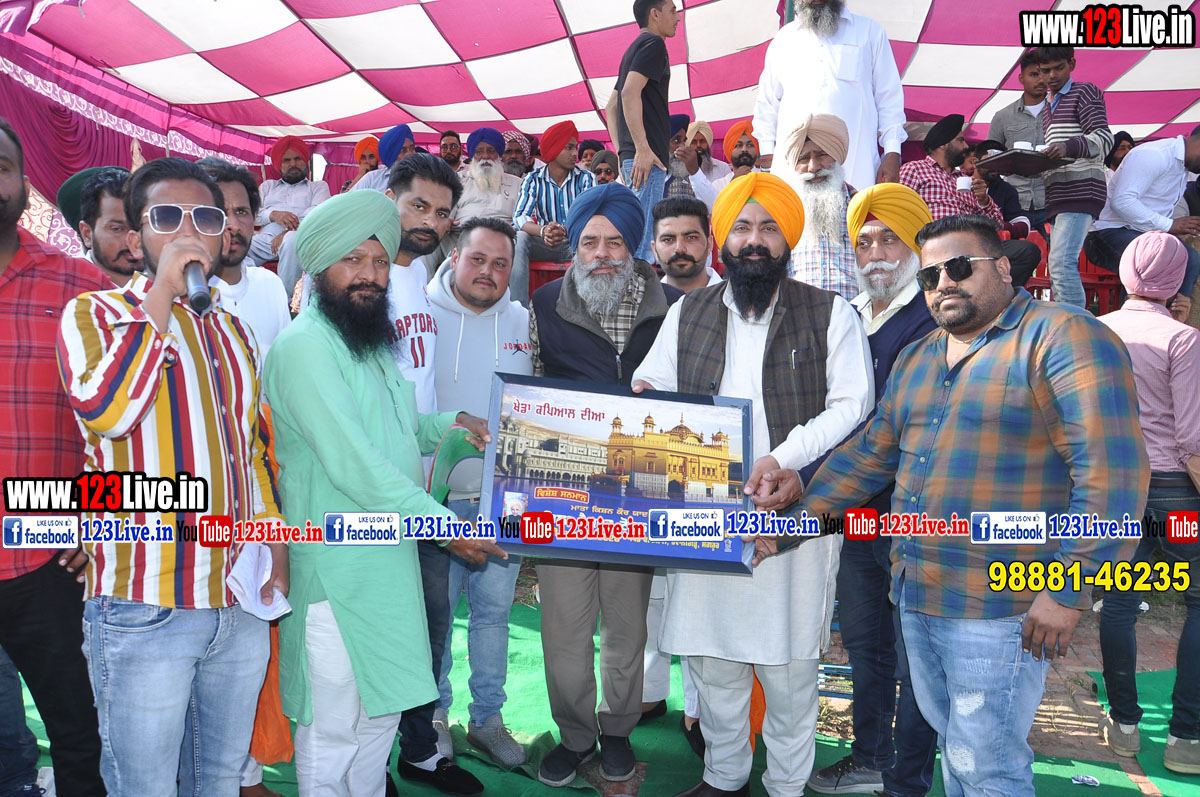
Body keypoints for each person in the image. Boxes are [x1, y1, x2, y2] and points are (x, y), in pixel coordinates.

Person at [771, 214, 1148, 796]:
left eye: (959, 267)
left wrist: (1068, 589)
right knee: (962, 754)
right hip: (917, 592)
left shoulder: (1064, 337)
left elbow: (1111, 475)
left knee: (985, 766)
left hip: (1001, 604)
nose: (943, 282)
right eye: (929, 276)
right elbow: (870, 456)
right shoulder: (918, 357)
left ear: (1003, 269)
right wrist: (781, 528)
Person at [632, 172, 872, 797]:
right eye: (741, 227)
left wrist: (784, 459)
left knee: (789, 670)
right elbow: (652, 384)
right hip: (705, 516)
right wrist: (646, 405)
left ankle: (787, 785)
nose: (754, 240)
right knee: (712, 664)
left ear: (788, 238)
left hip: (792, 516)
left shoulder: (830, 312)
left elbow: (854, 405)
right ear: (724, 239)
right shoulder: (688, 311)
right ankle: (724, 776)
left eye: (769, 227)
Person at [57, 156, 287, 794]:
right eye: (166, 217)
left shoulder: (236, 333)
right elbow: (109, 412)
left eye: (204, 217)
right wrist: (161, 293)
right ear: (135, 239)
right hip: (144, 603)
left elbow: (249, 451)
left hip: (236, 603)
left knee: (219, 782)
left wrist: (272, 537)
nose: (188, 230)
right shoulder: (94, 316)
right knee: (145, 786)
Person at [263, 190, 499, 795]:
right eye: (352, 260)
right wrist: (446, 526)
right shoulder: (305, 347)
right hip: (336, 569)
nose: (369, 274)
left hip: (388, 559)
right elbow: (355, 465)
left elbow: (397, 429)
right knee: (334, 725)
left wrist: (449, 423)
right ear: (320, 267)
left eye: (378, 261)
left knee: (380, 715)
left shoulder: (364, 342)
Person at [529, 182, 683, 787]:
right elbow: (528, 388)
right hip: (563, 494)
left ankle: (617, 730)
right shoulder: (544, 303)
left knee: (627, 624)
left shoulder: (672, 306)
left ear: (634, 245)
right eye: (590, 241)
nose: (602, 254)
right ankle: (574, 736)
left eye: (615, 242)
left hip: (639, 494)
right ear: (574, 245)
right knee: (563, 625)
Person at [805, 183, 939, 796]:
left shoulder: (934, 317)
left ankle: (908, 778)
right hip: (855, 513)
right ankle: (870, 758)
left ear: (915, 247)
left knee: (916, 654)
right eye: (864, 242)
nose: (876, 253)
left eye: (890, 239)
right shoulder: (848, 314)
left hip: (915, 513)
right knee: (865, 644)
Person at [0, 118, 108, 797]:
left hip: (46, 560)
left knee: (80, 734)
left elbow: (121, 426)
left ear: (22, 182)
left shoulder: (79, 286)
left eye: (0, 165)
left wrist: (98, 523)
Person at [427, 217, 532, 770]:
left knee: (493, 615)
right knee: (438, 616)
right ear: (454, 257)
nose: (488, 271)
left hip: (504, 501)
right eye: (478, 259)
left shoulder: (522, 320)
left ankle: (488, 719)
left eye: (500, 263)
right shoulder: (420, 315)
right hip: (436, 499)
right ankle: (435, 715)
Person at [1097, 231, 1200, 774]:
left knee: (1118, 603)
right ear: (1179, 281)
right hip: (1178, 493)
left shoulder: (1095, 330)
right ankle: (1187, 738)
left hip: (1117, 489)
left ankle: (1125, 724)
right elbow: (1192, 439)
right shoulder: (1183, 340)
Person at [753, 0, 905, 192]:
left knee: (855, 209)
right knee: (796, 210)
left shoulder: (869, 31)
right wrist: (767, 155)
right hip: (793, 168)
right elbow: (767, 103)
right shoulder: (784, 39)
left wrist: (892, 153)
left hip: (856, 164)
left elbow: (889, 98)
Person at [900, 114, 1041, 287]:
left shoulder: (965, 179)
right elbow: (898, 210)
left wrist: (983, 200)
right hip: (937, 243)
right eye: (960, 141)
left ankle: (990, 295)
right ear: (944, 144)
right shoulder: (914, 170)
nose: (966, 146)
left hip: (971, 245)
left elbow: (996, 225)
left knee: (1027, 252)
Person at [1030, 46, 1114, 308]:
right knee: (1058, 266)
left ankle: (1077, 325)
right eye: (1045, 71)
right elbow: (1057, 158)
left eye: (1059, 68)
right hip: (1059, 195)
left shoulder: (1084, 92)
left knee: (1060, 264)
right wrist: (1023, 165)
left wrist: (1067, 147)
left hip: (1081, 191)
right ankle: (1067, 321)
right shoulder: (1047, 105)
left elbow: (1103, 138)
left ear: (1072, 64)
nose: (1052, 75)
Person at [1087, 124, 1200, 309]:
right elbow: (1122, 202)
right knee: (1151, 261)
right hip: (1107, 232)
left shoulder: (1183, 168)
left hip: (1145, 236)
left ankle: (1176, 315)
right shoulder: (1155, 155)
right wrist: (1169, 225)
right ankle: (1134, 322)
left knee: (1191, 259)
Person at [606, 0, 680, 262]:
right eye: (673, 10)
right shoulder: (654, 44)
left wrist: (622, 151)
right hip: (647, 158)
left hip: (635, 157)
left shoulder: (633, 49)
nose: (678, 17)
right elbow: (628, 93)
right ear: (655, 14)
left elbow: (611, 106)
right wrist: (642, 148)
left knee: (636, 237)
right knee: (641, 247)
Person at [198, 157, 291, 356]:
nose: (233, 225)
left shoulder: (270, 285)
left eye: (241, 211)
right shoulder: (178, 297)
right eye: (218, 212)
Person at [511, 120, 596, 307]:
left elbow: (589, 217)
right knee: (520, 238)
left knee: (590, 239)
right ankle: (519, 309)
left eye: (575, 147)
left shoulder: (587, 178)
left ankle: (585, 308)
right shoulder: (532, 179)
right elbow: (519, 217)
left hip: (576, 243)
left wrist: (564, 230)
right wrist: (543, 231)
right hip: (545, 243)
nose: (575, 153)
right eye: (569, 147)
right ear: (554, 150)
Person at [784, 113, 859, 300]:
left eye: (822, 154)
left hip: (855, 312)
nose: (813, 167)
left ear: (837, 155)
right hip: (799, 312)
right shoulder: (784, 215)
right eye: (803, 158)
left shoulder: (864, 209)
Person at [438, 127, 522, 265]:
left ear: (499, 154)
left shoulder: (518, 184)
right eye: (479, 152)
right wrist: (445, 219)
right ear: (472, 155)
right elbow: (445, 212)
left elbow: (525, 219)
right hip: (461, 238)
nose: (485, 156)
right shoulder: (456, 180)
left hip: (502, 240)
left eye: (491, 151)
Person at [986, 49, 1050, 231]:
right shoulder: (1003, 116)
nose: (1040, 80)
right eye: (1034, 74)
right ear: (1021, 78)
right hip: (1015, 203)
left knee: (1057, 249)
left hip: (1052, 200)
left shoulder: (1060, 112)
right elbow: (990, 159)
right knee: (1019, 248)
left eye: (1044, 74)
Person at [249, 136, 330, 267]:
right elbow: (251, 214)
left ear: (305, 161)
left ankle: (287, 283)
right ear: (279, 165)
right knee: (235, 245)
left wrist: (288, 232)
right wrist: (273, 215)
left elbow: (318, 216)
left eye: (297, 159)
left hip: (301, 238)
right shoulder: (267, 186)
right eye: (287, 160)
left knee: (290, 241)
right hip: (265, 242)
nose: (293, 164)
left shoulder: (318, 187)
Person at [76, 166, 141, 286]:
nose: (133, 240)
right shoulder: (64, 288)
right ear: (87, 234)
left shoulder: (170, 285)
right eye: (117, 229)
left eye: (140, 227)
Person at [652, 195, 722, 293]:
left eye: (691, 238)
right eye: (668, 240)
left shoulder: (735, 300)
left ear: (710, 244)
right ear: (654, 249)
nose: (679, 248)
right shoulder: (642, 300)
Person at [973, 140, 1034, 240]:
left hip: (997, 243)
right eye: (990, 162)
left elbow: (1024, 225)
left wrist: (998, 227)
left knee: (1027, 247)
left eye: (999, 163)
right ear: (975, 162)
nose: (995, 167)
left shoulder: (1006, 189)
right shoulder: (960, 183)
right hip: (964, 241)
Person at [351, 124, 418, 193]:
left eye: (412, 148)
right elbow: (349, 198)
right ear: (391, 155)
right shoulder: (372, 179)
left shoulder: (422, 178)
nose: (410, 154)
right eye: (402, 150)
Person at [686, 120, 732, 184]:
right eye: (694, 142)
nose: (698, 145)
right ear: (688, 144)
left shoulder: (723, 168)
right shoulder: (681, 170)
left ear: (708, 142)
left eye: (702, 141)